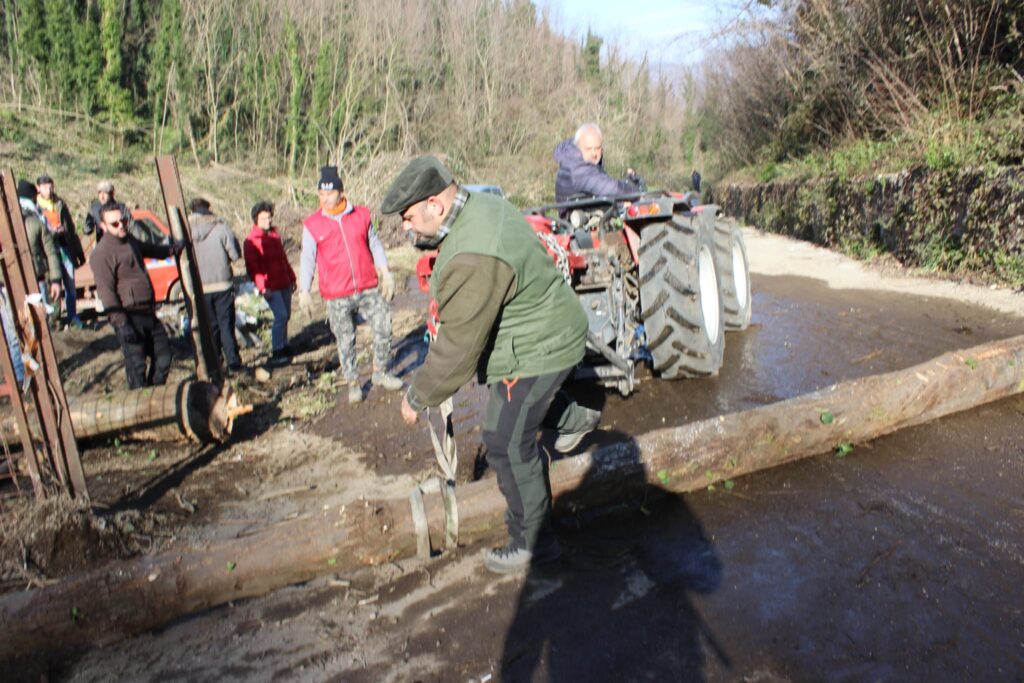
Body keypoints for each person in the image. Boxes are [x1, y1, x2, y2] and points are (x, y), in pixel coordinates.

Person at [383, 156, 602, 574]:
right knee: (522, 412)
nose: (405, 227)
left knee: (504, 440)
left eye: (408, 217)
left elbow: (458, 349)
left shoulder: (472, 253)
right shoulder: (483, 204)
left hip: (539, 347)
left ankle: (533, 544)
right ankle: (578, 418)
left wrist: (419, 395)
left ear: (436, 205)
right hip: (550, 329)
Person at [298, 165, 402, 403]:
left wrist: (386, 272)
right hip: (336, 293)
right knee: (345, 339)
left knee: (383, 325)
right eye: (321, 194)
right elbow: (307, 257)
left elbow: (374, 243)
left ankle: (380, 372)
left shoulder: (361, 215)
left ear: (341, 193)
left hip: (367, 286)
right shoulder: (313, 224)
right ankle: (353, 382)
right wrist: (304, 290)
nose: (325, 199)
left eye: (330, 194)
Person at [90, 201, 180, 389]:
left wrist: (171, 250)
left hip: (147, 310)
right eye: (115, 224)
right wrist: (121, 322)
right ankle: (140, 400)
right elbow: (106, 292)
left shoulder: (129, 239)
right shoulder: (102, 254)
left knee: (164, 355)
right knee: (137, 364)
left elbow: (149, 249)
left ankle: (154, 392)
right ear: (103, 226)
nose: (121, 225)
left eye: (123, 220)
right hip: (129, 315)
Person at [189, 197, 243, 373]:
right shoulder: (221, 228)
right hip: (223, 284)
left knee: (211, 327)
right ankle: (233, 361)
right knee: (225, 324)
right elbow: (235, 255)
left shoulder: (185, 232)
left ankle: (215, 362)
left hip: (200, 288)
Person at [244, 201, 296, 362]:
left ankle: (284, 344)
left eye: (269, 218)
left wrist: (292, 278)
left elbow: (284, 260)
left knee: (286, 315)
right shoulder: (252, 241)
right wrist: (262, 287)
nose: (268, 221)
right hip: (270, 286)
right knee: (280, 316)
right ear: (256, 220)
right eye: (264, 219)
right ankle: (277, 349)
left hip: (283, 282)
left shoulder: (274, 236)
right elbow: (254, 269)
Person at [35, 174, 86, 329]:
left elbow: (71, 228)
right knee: (54, 287)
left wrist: (79, 253)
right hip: (49, 252)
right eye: (45, 187)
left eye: (51, 186)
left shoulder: (59, 203)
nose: (49, 190)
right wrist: (53, 232)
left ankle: (73, 317)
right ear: (38, 188)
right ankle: (54, 320)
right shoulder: (35, 208)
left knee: (70, 285)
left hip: (65, 249)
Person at [553, 122, 643, 203]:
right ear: (578, 148)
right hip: (577, 218)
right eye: (588, 149)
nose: (594, 154)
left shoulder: (574, 161)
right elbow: (610, 188)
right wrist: (638, 193)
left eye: (597, 148)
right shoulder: (577, 168)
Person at [15, 180, 62, 310]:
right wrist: (56, 280)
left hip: (13, 283)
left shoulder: (34, 222)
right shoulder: (37, 221)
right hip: (37, 278)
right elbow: (51, 252)